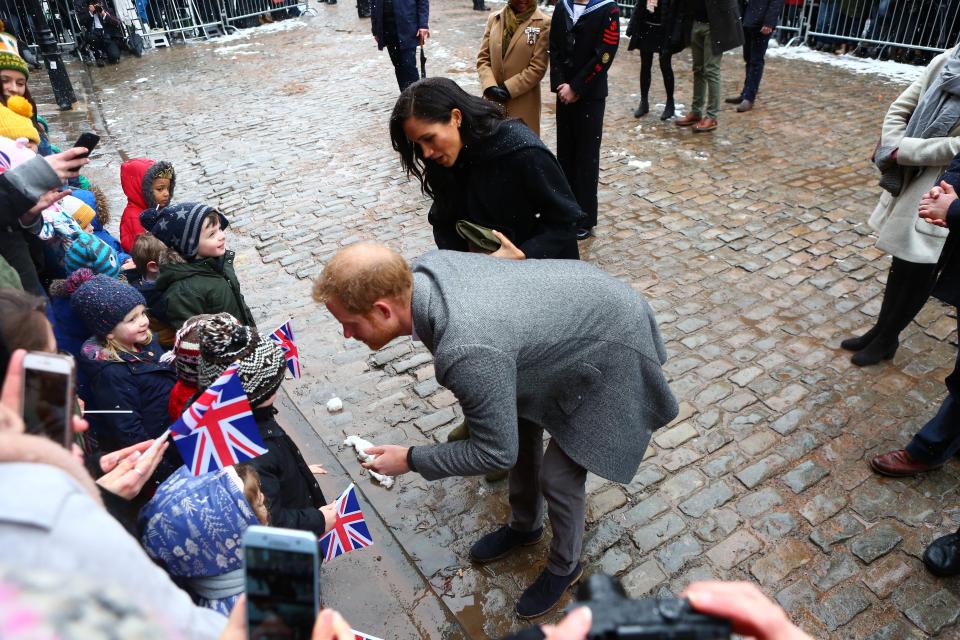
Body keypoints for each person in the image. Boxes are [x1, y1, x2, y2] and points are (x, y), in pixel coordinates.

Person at [313, 243, 678, 618]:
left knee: (558, 478)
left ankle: (565, 565)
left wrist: (410, 459)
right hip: (571, 318)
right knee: (517, 424)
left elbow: (494, 453)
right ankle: (525, 526)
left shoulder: (466, 347)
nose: (345, 334)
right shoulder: (424, 272)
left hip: (614, 339)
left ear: (383, 310)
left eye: (350, 323)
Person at [841, 44, 960, 366]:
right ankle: (881, 329)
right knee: (901, 261)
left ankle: (888, 337)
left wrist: (906, 150)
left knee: (922, 266)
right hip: (911, 175)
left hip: (945, 185)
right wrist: (893, 145)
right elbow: (901, 106)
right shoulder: (948, 60)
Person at [391, 78, 582, 259]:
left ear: (456, 118)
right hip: (488, 279)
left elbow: (565, 219)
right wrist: (464, 259)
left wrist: (523, 254)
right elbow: (443, 219)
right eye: (418, 144)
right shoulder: (445, 158)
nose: (426, 153)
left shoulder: (523, 152)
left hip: (547, 275)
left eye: (429, 138)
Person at [197, 314, 331, 536]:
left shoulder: (238, 420)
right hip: (291, 548)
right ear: (259, 391)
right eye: (274, 384)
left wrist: (299, 472)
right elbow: (269, 519)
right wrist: (318, 520)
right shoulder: (253, 452)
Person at [71, 275, 178, 482]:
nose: (143, 322)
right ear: (109, 332)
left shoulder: (146, 342)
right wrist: (163, 471)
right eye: (132, 319)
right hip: (162, 452)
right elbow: (128, 430)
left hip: (175, 433)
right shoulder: (111, 373)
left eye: (142, 313)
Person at [549, 0, 620, 240]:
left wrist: (577, 87)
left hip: (590, 95)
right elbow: (555, 47)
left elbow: (605, 54)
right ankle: (566, 210)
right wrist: (561, 84)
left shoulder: (608, 9)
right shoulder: (562, 7)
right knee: (565, 154)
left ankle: (585, 217)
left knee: (586, 158)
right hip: (564, 94)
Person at [141, 202, 256, 331]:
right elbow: (194, 337)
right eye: (212, 234)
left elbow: (238, 300)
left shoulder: (219, 263)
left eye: (219, 229)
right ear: (190, 245)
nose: (222, 236)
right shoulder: (183, 292)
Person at [476, 0, 550, 135]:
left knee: (520, 149)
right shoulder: (495, 19)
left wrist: (509, 89)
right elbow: (483, 59)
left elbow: (537, 67)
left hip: (522, 104)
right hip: (493, 103)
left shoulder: (543, 23)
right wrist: (490, 86)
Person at [673, 0, 743, 133]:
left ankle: (712, 116)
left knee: (711, 70)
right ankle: (696, 112)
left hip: (715, 25)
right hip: (696, 23)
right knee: (698, 69)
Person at [626, 0, 684, 120]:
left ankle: (670, 102)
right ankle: (644, 102)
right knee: (645, 65)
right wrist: (631, 26)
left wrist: (676, 34)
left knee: (665, 65)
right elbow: (639, 5)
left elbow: (678, 11)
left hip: (665, 29)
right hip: (646, 26)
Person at [724, 0, 782, 113]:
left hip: (761, 21)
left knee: (756, 60)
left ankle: (749, 97)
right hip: (746, 17)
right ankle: (745, 93)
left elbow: (777, 2)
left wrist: (769, 22)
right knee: (748, 57)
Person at [119, 158, 175, 253]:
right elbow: (144, 252)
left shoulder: (157, 208)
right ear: (143, 190)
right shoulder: (133, 217)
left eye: (168, 188)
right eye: (160, 189)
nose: (166, 193)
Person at [371, 0, 429, 91]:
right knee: (398, 66)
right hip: (388, 28)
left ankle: (416, 97)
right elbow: (374, 4)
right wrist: (375, 29)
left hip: (407, 26)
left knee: (408, 65)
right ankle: (405, 96)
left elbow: (422, 2)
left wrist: (423, 25)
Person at [76, 2, 124, 66]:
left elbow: (116, 22)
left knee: (114, 57)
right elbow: (80, 22)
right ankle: (98, 56)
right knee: (92, 37)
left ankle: (106, 53)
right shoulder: (86, 10)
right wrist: (90, 12)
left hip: (108, 37)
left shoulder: (107, 8)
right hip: (94, 35)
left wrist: (103, 14)